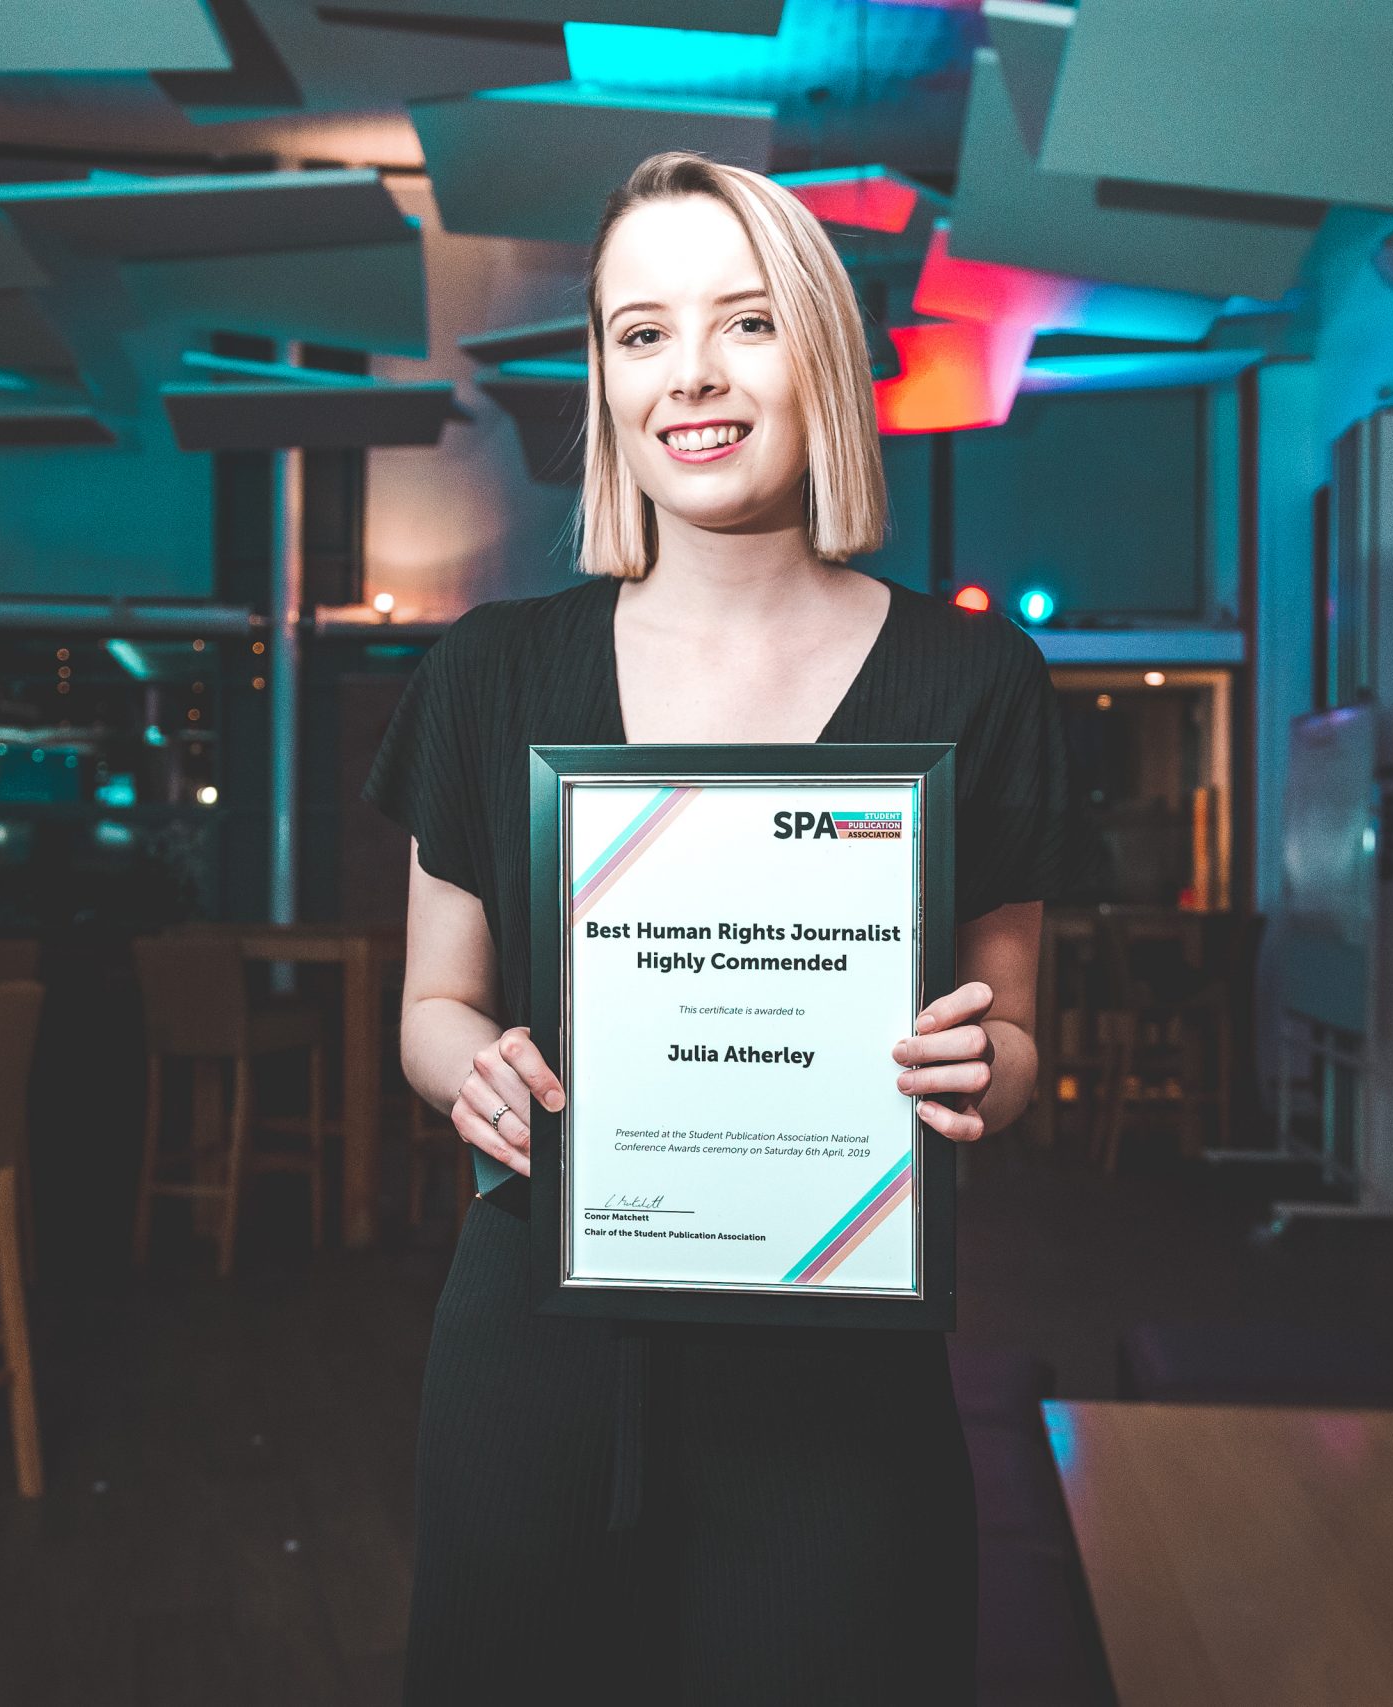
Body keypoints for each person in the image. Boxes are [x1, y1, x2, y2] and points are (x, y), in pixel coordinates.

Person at [363, 152, 1066, 1703]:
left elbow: (1013, 1037)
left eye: (744, 323)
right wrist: (466, 1069)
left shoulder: (975, 683)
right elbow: (433, 1002)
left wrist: (979, 1066)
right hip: (533, 1343)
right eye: (639, 331)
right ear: (605, 380)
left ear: (816, 348)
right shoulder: (490, 670)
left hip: (838, 1369)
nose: (691, 374)